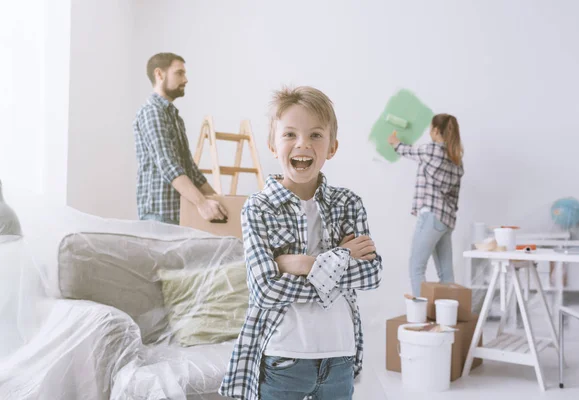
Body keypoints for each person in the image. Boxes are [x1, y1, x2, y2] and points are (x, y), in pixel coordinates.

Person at [220, 86, 383, 400]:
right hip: (283, 359)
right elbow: (264, 291)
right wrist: (341, 257)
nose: (302, 144)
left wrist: (294, 264)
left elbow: (371, 274)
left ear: (332, 147)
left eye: (315, 135)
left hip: (340, 358)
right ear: (272, 144)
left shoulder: (348, 204)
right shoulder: (258, 207)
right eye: (290, 134)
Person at [133, 52, 227, 224]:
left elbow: (190, 169)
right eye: (179, 73)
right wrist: (202, 203)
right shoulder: (152, 112)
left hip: (179, 212)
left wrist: (222, 203)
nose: (185, 79)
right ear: (159, 74)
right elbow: (168, 164)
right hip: (159, 215)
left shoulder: (174, 117)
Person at [388, 114, 464, 296]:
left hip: (431, 217)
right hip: (446, 222)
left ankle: (419, 318)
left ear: (436, 131)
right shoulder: (456, 159)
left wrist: (394, 141)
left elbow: (406, 150)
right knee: (446, 273)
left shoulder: (431, 150)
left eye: (431, 128)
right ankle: (449, 318)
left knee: (416, 267)